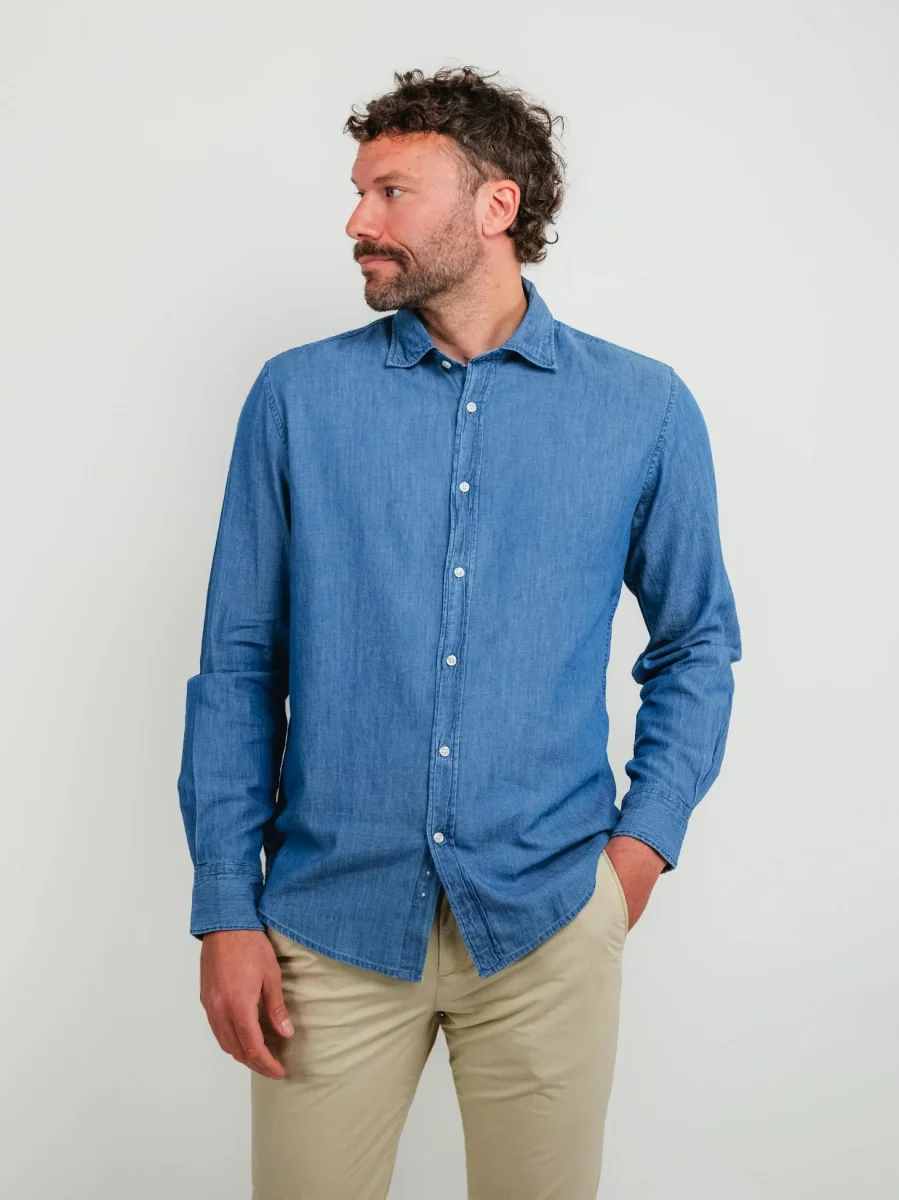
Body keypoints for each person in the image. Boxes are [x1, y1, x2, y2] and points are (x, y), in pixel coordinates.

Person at [177, 64, 742, 1200]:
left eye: (390, 192)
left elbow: (694, 643)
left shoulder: (641, 408)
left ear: (495, 206)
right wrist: (225, 908)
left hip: (547, 919)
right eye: (358, 191)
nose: (357, 221)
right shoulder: (296, 398)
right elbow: (239, 664)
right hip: (328, 924)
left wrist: (637, 853)